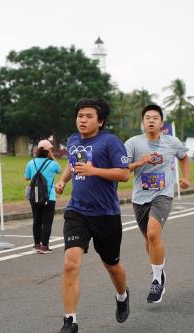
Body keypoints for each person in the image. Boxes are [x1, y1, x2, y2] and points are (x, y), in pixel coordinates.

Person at [55, 98, 131, 333]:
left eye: (88, 116)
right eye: (80, 116)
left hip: (105, 214)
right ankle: (70, 321)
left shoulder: (111, 142)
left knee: (112, 265)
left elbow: (124, 173)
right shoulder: (73, 140)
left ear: (100, 121)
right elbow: (72, 163)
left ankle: (122, 295)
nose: (83, 120)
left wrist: (93, 170)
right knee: (70, 262)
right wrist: (63, 180)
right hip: (77, 211)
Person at [124, 104, 190, 304]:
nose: (151, 120)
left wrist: (186, 178)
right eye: (147, 117)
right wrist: (140, 162)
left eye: (155, 118)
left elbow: (184, 157)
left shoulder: (172, 142)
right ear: (142, 122)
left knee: (153, 233)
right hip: (140, 198)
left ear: (161, 123)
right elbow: (123, 169)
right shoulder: (133, 143)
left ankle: (156, 280)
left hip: (162, 195)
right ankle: (159, 272)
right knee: (149, 239)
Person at [24, 139, 61, 254]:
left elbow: (27, 177)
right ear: (48, 151)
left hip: (34, 195)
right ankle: (45, 246)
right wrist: (52, 157)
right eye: (51, 149)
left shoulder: (31, 163)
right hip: (49, 197)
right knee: (47, 222)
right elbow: (59, 171)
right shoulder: (52, 164)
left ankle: (37, 244)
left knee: (37, 220)